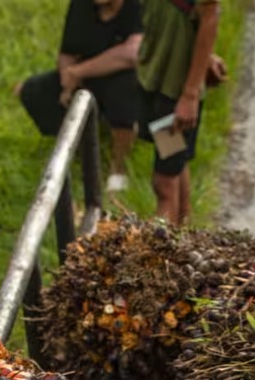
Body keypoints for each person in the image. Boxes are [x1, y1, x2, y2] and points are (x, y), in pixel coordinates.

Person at [19, 0, 144, 193]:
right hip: (89, 75)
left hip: (130, 77)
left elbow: (132, 53)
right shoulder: (81, 5)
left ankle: (119, 167)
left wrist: (79, 71)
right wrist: (67, 82)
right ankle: (79, 146)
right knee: (33, 91)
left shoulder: (139, 5)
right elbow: (68, 53)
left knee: (123, 91)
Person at [136, 0, 223, 225]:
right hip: (156, 78)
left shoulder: (179, 93)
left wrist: (190, 94)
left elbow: (210, 16)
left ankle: (162, 252)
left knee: (164, 184)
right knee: (176, 165)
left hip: (174, 93)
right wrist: (205, 57)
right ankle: (184, 235)